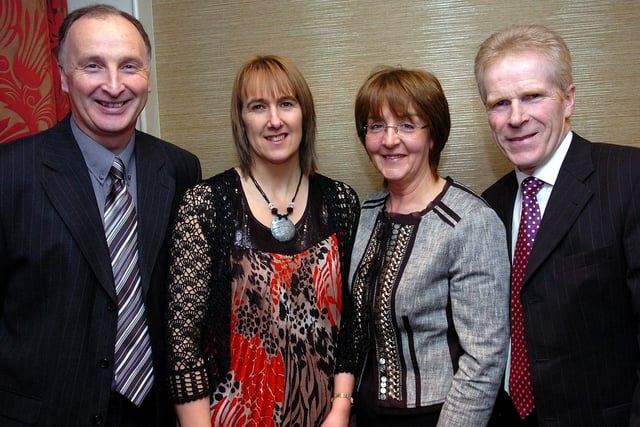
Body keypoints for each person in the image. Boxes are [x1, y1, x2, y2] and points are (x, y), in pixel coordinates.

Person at [0, 5, 201, 426]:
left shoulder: (180, 168)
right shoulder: (11, 172)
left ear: (147, 78)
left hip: (156, 413)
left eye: (129, 66)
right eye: (93, 66)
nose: (114, 85)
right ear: (63, 77)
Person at [165, 54, 360, 427]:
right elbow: (183, 340)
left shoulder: (339, 201)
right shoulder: (207, 204)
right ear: (242, 120)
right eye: (258, 107)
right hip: (228, 417)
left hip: (326, 418)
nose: (274, 120)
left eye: (286, 103)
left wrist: (340, 410)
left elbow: (351, 322)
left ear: (304, 114)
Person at [324, 66, 510, 427]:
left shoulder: (470, 221)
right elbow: (355, 328)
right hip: (367, 413)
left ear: (433, 136)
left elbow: (484, 359)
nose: (389, 140)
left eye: (407, 125)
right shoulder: (367, 212)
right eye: (376, 126)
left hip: (440, 414)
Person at [474, 24, 640, 427]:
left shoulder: (628, 176)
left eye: (532, 96)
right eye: (499, 103)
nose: (516, 117)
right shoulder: (488, 207)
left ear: (568, 100)